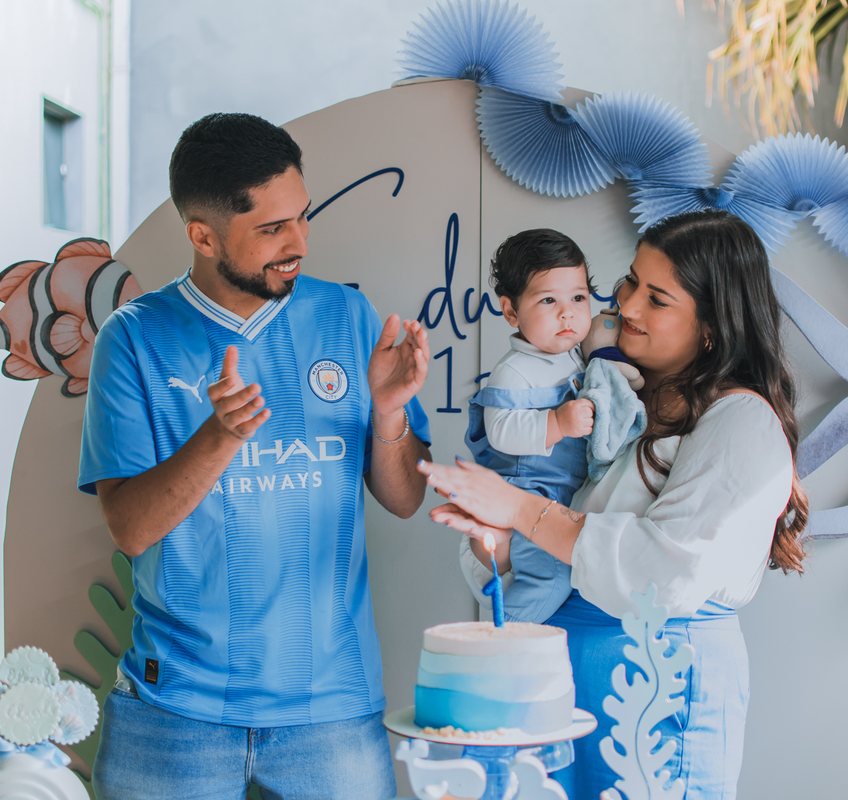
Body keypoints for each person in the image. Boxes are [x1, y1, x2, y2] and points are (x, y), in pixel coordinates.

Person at [78, 112, 432, 800]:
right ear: (203, 235)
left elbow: (404, 497)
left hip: (332, 710)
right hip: (171, 711)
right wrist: (219, 437)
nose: (297, 242)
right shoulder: (133, 339)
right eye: (271, 229)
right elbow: (131, 528)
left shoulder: (349, 317)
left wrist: (389, 411)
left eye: (301, 217)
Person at [419, 209, 808, 800]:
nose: (625, 305)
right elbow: (538, 558)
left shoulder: (741, 420)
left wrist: (520, 509)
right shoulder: (609, 392)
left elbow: (660, 571)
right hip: (556, 671)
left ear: (710, 326)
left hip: (654, 678)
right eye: (630, 281)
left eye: (658, 298)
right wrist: (490, 537)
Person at [463, 229, 595, 624]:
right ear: (510, 311)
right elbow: (502, 430)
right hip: (528, 493)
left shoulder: (573, 355)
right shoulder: (514, 370)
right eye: (548, 300)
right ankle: (503, 639)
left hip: (563, 496)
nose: (567, 313)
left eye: (578, 298)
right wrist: (557, 421)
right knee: (550, 577)